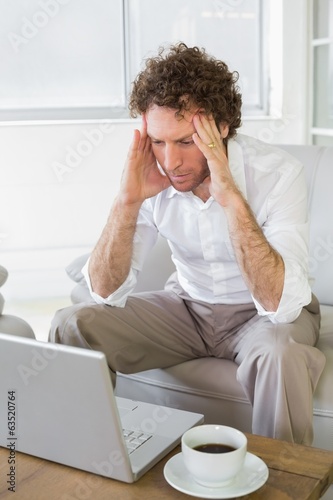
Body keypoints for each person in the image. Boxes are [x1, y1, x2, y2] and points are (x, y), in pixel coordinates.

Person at [50, 43, 326, 445]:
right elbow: (104, 292)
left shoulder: (278, 174)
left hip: (263, 316)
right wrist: (127, 201)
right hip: (188, 307)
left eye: (185, 142)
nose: (171, 162)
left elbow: (280, 305)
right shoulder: (153, 173)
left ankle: (285, 485)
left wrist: (230, 196)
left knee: (280, 355)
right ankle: (80, 457)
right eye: (158, 142)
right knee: (70, 323)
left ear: (223, 128)